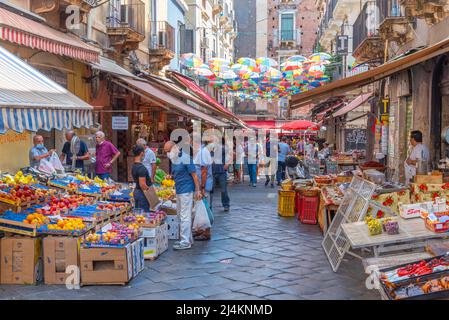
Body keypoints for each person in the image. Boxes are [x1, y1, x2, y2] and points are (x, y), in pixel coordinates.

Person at [164, 141, 202, 250]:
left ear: (174, 148)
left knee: (185, 216)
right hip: (179, 190)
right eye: (166, 152)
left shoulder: (185, 158)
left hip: (186, 190)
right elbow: (177, 174)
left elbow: (194, 176)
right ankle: (188, 238)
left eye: (168, 151)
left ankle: (185, 242)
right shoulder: (174, 159)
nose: (167, 154)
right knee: (181, 215)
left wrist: (198, 190)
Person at [210, 139, 231, 212]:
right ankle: (209, 206)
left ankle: (226, 205)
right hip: (212, 172)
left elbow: (231, 156)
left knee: (223, 189)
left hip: (221, 172)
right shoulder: (209, 150)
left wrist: (227, 164)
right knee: (210, 189)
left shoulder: (223, 150)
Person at [131, 145, 152, 211]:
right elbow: (142, 185)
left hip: (137, 191)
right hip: (142, 194)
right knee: (144, 214)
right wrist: (151, 193)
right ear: (142, 153)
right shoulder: (141, 168)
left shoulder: (134, 166)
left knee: (138, 214)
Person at [194, 137, 213, 201]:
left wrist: (202, 187)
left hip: (203, 187)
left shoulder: (203, 152)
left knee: (205, 207)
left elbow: (204, 172)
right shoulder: (202, 151)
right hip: (203, 186)